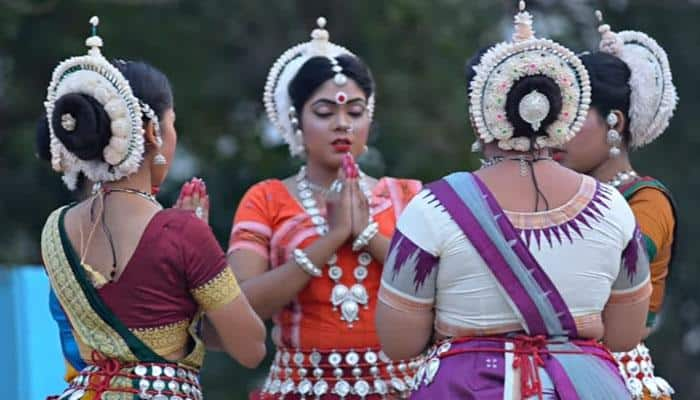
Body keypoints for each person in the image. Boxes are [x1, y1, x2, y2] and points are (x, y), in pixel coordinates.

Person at [375, 2, 652, 399]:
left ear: (479, 117)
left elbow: (399, 342)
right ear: (563, 114)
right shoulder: (613, 209)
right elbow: (625, 336)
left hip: (466, 387)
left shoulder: (433, 207)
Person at [41, 17, 265, 400]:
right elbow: (251, 349)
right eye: (172, 123)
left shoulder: (55, 227)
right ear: (151, 132)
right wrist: (198, 250)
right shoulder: (182, 233)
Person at [228, 17, 422, 400]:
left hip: (401, 389)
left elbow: (438, 290)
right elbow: (240, 305)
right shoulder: (266, 198)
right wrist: (330, 240)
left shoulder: (408, 195)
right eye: (324, 112)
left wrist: (368, 236)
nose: (342, 125)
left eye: (355, 112)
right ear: (296, 121)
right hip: (300, 389)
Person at [555, 11, 678, 399]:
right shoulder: (555, 193)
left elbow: (603, 273)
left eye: (572, 118)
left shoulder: (648, 200)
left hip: (615, 379)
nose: (557, 132)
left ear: (615, 121)